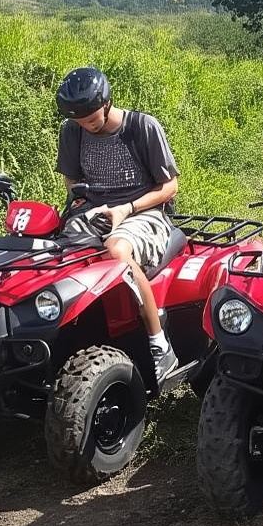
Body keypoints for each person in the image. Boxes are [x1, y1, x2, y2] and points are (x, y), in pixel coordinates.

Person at [55, 67, 180, 381]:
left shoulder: (141, 127)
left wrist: (126, 208)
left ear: (106, 102)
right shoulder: (71, 131)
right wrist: (80, 198)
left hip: (144, 211)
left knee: (116, 250)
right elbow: (73, 179)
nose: (86, 124)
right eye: (79, 120)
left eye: (92, 117)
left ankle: (159, 344)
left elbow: (170, 187)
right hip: (96, 211)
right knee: (55, 254)